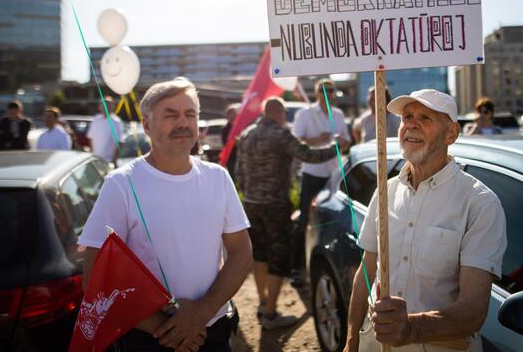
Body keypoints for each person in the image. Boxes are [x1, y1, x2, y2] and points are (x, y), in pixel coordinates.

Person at [78, 78, 252, 352]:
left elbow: (241, 252)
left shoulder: (218, 177)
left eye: (190, 114)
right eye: (171, 115)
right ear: (147, 125)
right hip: (150, 339)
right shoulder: (121, 184)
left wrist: (200, 313)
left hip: (213, 333)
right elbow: (95, 277)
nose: (183, 123)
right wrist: (169, 328)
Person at [344, 89, 507, 352]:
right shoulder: (386, 192)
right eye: (407, 117)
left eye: (425, 118)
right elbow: (366, 273)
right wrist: (351, 340)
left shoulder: (480, 203)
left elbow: (474, 311)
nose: (411, 125)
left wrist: (411, 328)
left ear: (451, 134)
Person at [236, 97, 350, 330]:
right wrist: (337, 147)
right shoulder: (280, 134)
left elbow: (239, 171)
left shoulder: (247, 134)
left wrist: (249, 193)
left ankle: (262, 302)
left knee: (259, 254)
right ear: (278, 113)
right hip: (275, 205)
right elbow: (309, 155)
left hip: (251, 203)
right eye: (284, 113)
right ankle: (270, 314)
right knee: (278, 259)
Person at [292, 78, 351, 280]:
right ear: (317, 93)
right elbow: (296, 141)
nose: (328, 93)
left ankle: (323, 261)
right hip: (312, 173)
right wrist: (318, 139)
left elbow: (347, 140)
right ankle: (298, 267)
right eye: (324, 90)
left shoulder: (338, 114)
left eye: (331, 90)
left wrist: (341, 142)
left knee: (331, 217)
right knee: (304, 219)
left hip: (333, 174)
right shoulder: (305, 114)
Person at [87, 96, 124, 165]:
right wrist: (92, 156)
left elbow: (120, 143)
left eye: (108, 105)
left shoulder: (116, 121)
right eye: (103, 105)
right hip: (95, 161)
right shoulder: (96, 119)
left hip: (108, 162)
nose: (106, 107)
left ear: (112, 107)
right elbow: (90, 138)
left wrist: (114, 160)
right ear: (99, 107)